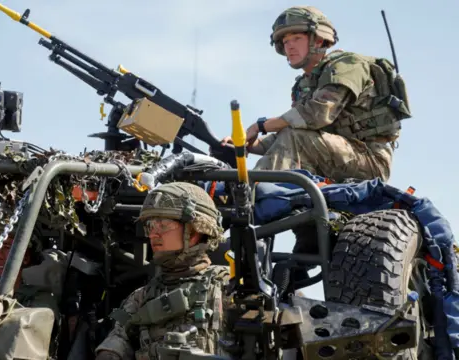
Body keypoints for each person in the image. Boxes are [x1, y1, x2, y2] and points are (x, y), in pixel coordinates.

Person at [220, 6, 410, 183]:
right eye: (285, 42)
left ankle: (252, 196)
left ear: (318, 39)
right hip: (335, 153)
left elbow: (317, 114)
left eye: (296, 38)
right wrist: (246, 144)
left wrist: (260, 125)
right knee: (292, 134)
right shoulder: (304, 84)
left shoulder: (348, 65)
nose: (290, 46)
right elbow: (289, 131)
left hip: (371, 160)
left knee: (295, 136)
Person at [94, 182, 231, 360]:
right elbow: (115, 344)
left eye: (163, 225)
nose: (153, 235)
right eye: (151, 226)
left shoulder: (228, 286)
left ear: (196, 230)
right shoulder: (140, 297)